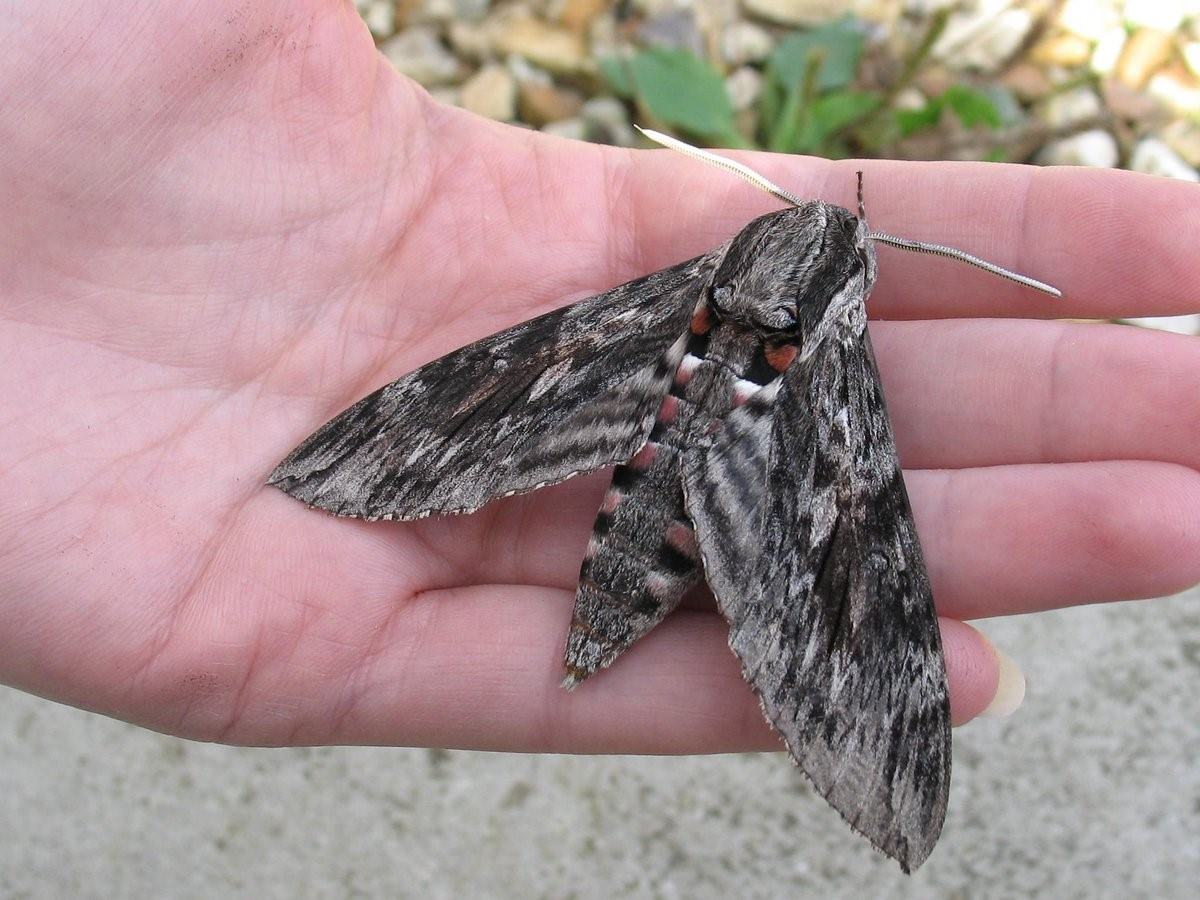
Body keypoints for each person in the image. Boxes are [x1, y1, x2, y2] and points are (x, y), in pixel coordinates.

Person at [1, 2, 1197, 753]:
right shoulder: (837, 359)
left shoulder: (673, 290)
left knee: (470, 411)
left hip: (650, 422)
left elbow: (485, 390)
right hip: (697, 485)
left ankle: (842, 728)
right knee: (850, 554)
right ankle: (857, 725)